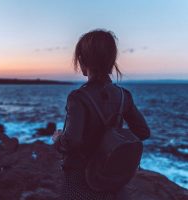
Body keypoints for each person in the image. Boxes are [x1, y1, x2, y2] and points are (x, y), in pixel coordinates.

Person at [52, 29, 150, 200]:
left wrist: (58, 138)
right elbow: (143, 132)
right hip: (111, 175)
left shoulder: (78, 97)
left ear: (82, 60)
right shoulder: (123, 96)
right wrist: (114, 138)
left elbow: (72, 141)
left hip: (80, 178)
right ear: (112, 61)